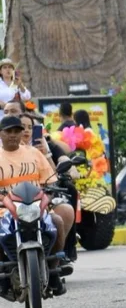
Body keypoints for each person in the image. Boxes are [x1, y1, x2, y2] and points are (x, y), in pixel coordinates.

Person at [0, 115, 73, 288]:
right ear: (1, 134)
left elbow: (50, 181)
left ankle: (53, 270)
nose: (13, 135)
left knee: (57, 222)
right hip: (5, 210)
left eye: (17, 131)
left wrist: (50, 194)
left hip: (35, 208)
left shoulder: (34, 153)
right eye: (8, 131)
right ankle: (3, 276)